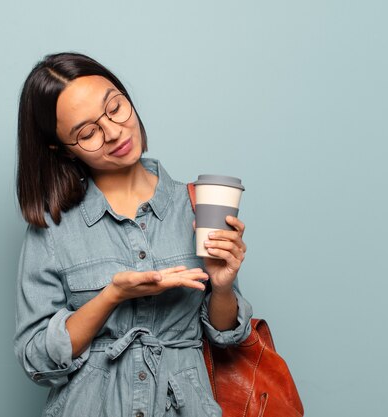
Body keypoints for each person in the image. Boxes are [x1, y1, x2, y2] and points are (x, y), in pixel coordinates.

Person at [13, 52, 253, 417]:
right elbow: (38, 361)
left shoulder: (197, 206)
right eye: (88, 133)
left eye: (115, 108)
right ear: (61, 149)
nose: (113, 132)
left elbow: (226, 337)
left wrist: (222, 286)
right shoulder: (53, 229)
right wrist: (112, 296)